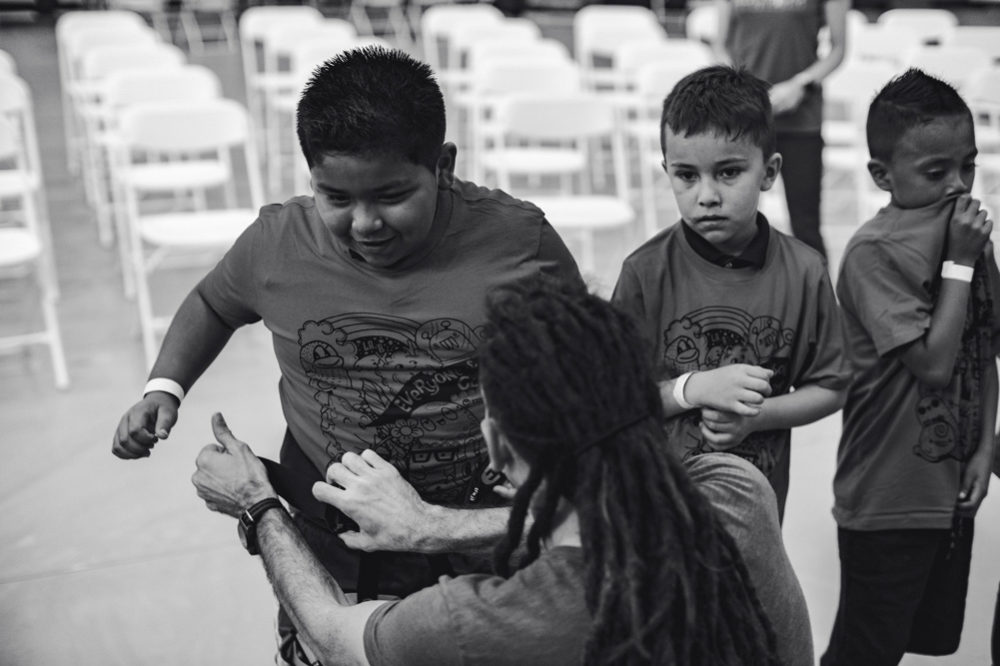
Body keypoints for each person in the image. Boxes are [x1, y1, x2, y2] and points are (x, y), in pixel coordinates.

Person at [111, 46, 583, 661]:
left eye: (390, 196)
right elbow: (213, 303)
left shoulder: (518, 242)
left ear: (442, 165)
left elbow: (593, 363)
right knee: (325, 641)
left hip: (475, 518)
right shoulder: (277, 245)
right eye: (336, 198)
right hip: (328, 524)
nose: (365, 223)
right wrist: (164, 388)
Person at [191, 274, 813, 665]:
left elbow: (329, 634)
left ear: (500, 449)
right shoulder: (737, 490)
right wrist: (429, 525)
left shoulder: (479, 625)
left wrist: (258, 506)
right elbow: (611, 513)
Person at [611, 65, 850, 521]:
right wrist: (692, 389)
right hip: (656, 515)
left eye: (728, 173)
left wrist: (759, 417)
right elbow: (614, 399)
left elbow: (832, 386)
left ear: (769, 171)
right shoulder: (644, 272)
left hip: (754, 519)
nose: (706, 195)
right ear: (666, 172)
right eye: (686, 175)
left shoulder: (805, 273)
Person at [823, 69, 999, 665]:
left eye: (967, 167)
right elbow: (933, 362)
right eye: (935, 172)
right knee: (865, 652)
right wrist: (959, 262)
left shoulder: (968, 236)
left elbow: (981, 347)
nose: (958, 186)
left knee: (924, 640)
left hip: (948, 487)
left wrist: (982, 449)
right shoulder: (877, 250)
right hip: (886, 496)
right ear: (882, 175)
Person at [712, 0, 848, 258]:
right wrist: (742, 85)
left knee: (806, 227)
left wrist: (800, 84)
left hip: (801, 118)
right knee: (735, 227)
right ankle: (737, 296)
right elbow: (720, 43)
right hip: (744, 117)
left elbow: (838, 50)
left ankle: (816, 296)